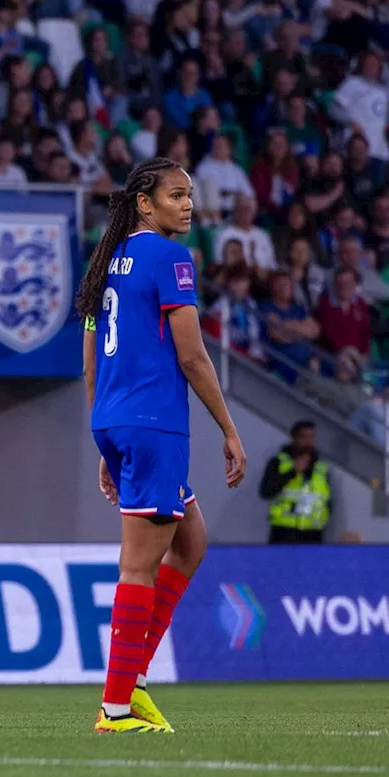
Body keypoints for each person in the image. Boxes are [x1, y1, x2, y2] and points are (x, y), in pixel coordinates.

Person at [77, 157, 246, 734]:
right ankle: (115, 708)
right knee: (139, 565)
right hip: (153, 420)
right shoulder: (171, 258)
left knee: (190, 542)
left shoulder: (106, 264)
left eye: (190, 195)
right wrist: (228, 428)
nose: (188, 205)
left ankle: (135, 680)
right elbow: (193, 356)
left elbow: (91, 359)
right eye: (176, 195)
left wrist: (108, 437)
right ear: (145, 203)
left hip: (119, 417)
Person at [259, 420, 331, 544]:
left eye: (311, 437)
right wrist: (293, 472)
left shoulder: (321, 467)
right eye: (304, 437)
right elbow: (266, 491)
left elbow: (327, 500)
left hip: (313, 533)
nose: (308, 441)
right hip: (284, 532)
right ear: (294, 438)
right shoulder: (279, 463)